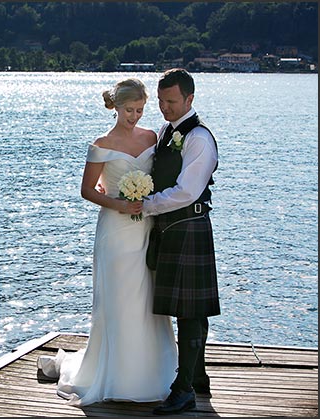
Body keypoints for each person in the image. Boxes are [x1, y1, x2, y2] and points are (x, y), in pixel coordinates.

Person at [37, 78, 178, 406]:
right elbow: (87, 190)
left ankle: (152, 369)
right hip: (115, 230)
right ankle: (115, 373)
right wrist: (119, 203)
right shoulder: (101, 143)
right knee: (119, 300)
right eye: (130, 110)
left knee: (146, 299)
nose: (135, 116)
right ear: (116, 107)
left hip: (146, 226)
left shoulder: (152, 137)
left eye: (141, 110)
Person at [143, 68, 221, 415]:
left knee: (190, 311)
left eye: (172, 101)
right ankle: (198, 375)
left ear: (190, 98)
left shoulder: (198, 138)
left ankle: (184, 388)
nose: (165, 108)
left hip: (188, 225)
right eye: (161, 101)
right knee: (188, 309)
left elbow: (188, 191)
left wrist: (146, 206)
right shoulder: (165, 132)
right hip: (170, 228)